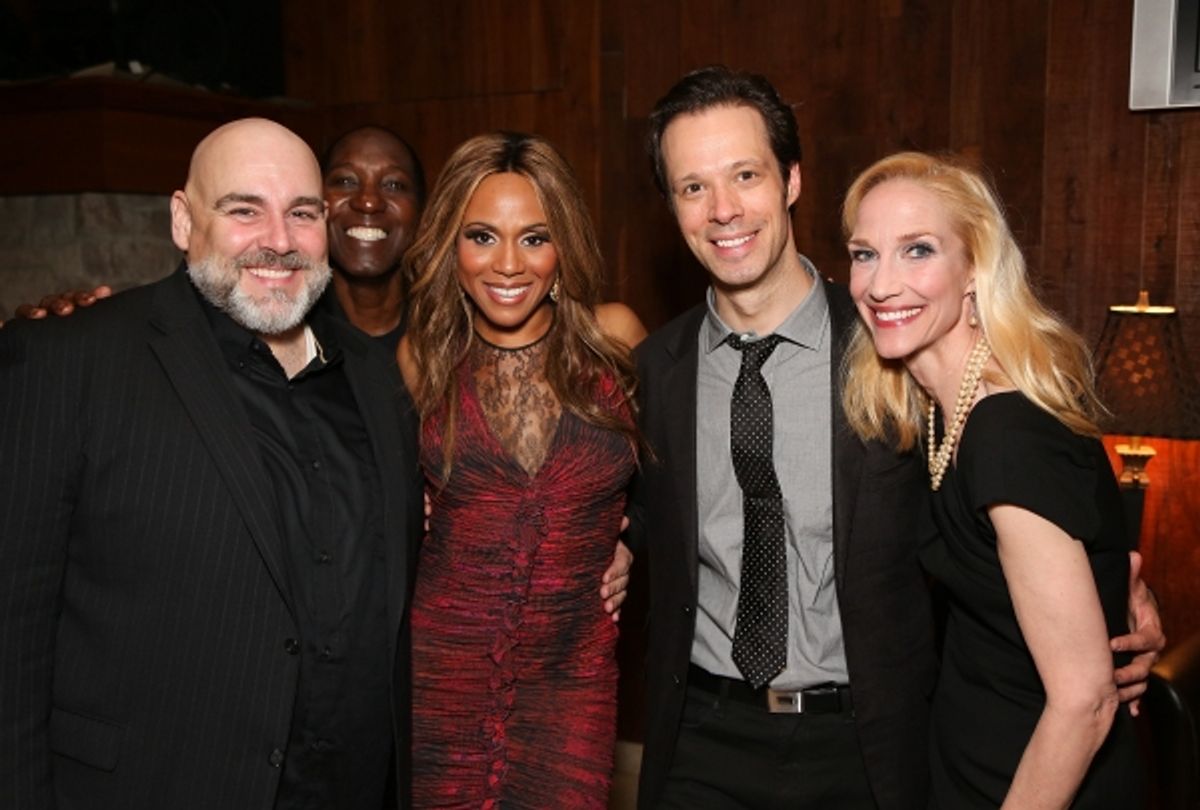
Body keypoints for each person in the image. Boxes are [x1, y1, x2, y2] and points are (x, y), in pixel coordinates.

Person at [628, 66, 1163, 809]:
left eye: (744, 175)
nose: (723, 209)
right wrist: (619, 546)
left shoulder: (893, 349)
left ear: (789, 181)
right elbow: (644, 507)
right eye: (693, 187)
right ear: (673, 208)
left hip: (869, 745)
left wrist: (1115, 594)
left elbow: (1035, 479)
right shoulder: (658, 368)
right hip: (702, 740)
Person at [0, 118, 423, 809]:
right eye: (243, 210)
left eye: (303, 213)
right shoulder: (66, 360)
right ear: (181, 219)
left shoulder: (379, 378)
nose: (279, 241)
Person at [842, 151, 1143, 808]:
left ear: (975, 268)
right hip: (973, 764)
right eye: (865, 254)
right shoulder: (934, 412)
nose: (881, 284)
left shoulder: (1005, 433)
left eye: (917, 250)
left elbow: (1085, 698)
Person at [397, 131, 646, 808]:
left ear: (563, 246)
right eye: (482, 236)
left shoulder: (618, 341)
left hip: (574, 677)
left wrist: (631, 539)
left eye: (534, 238)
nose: (508, 264)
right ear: (452, 246)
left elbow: (679, 478)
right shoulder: (419, 359)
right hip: (441, 676)